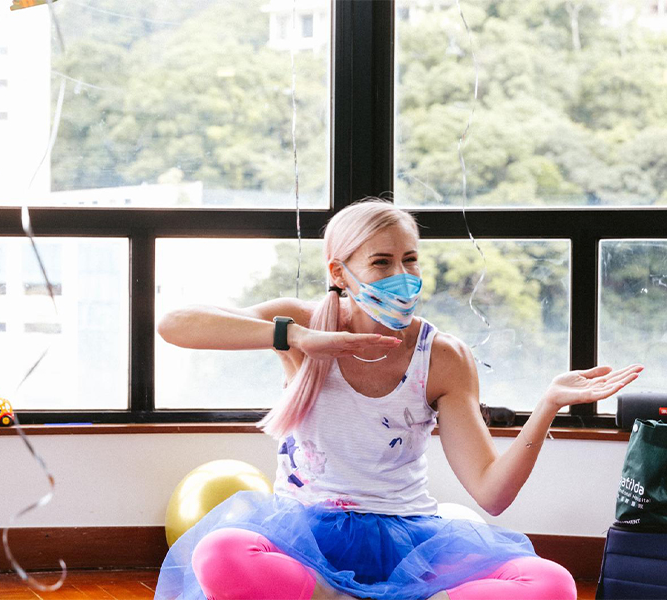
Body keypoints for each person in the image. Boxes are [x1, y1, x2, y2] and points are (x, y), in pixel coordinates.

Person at [154, 198, 643, 600]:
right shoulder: (300, 321)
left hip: (409, 536)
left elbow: (492, 494)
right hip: (304, 532)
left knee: (551, 585)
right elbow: (175, 324)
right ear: (340, 272)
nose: (402, 275)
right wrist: (302, 338)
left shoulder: (445, 356)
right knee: (219, 554)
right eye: (382, 262)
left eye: (409, 259)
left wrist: (548, 405)